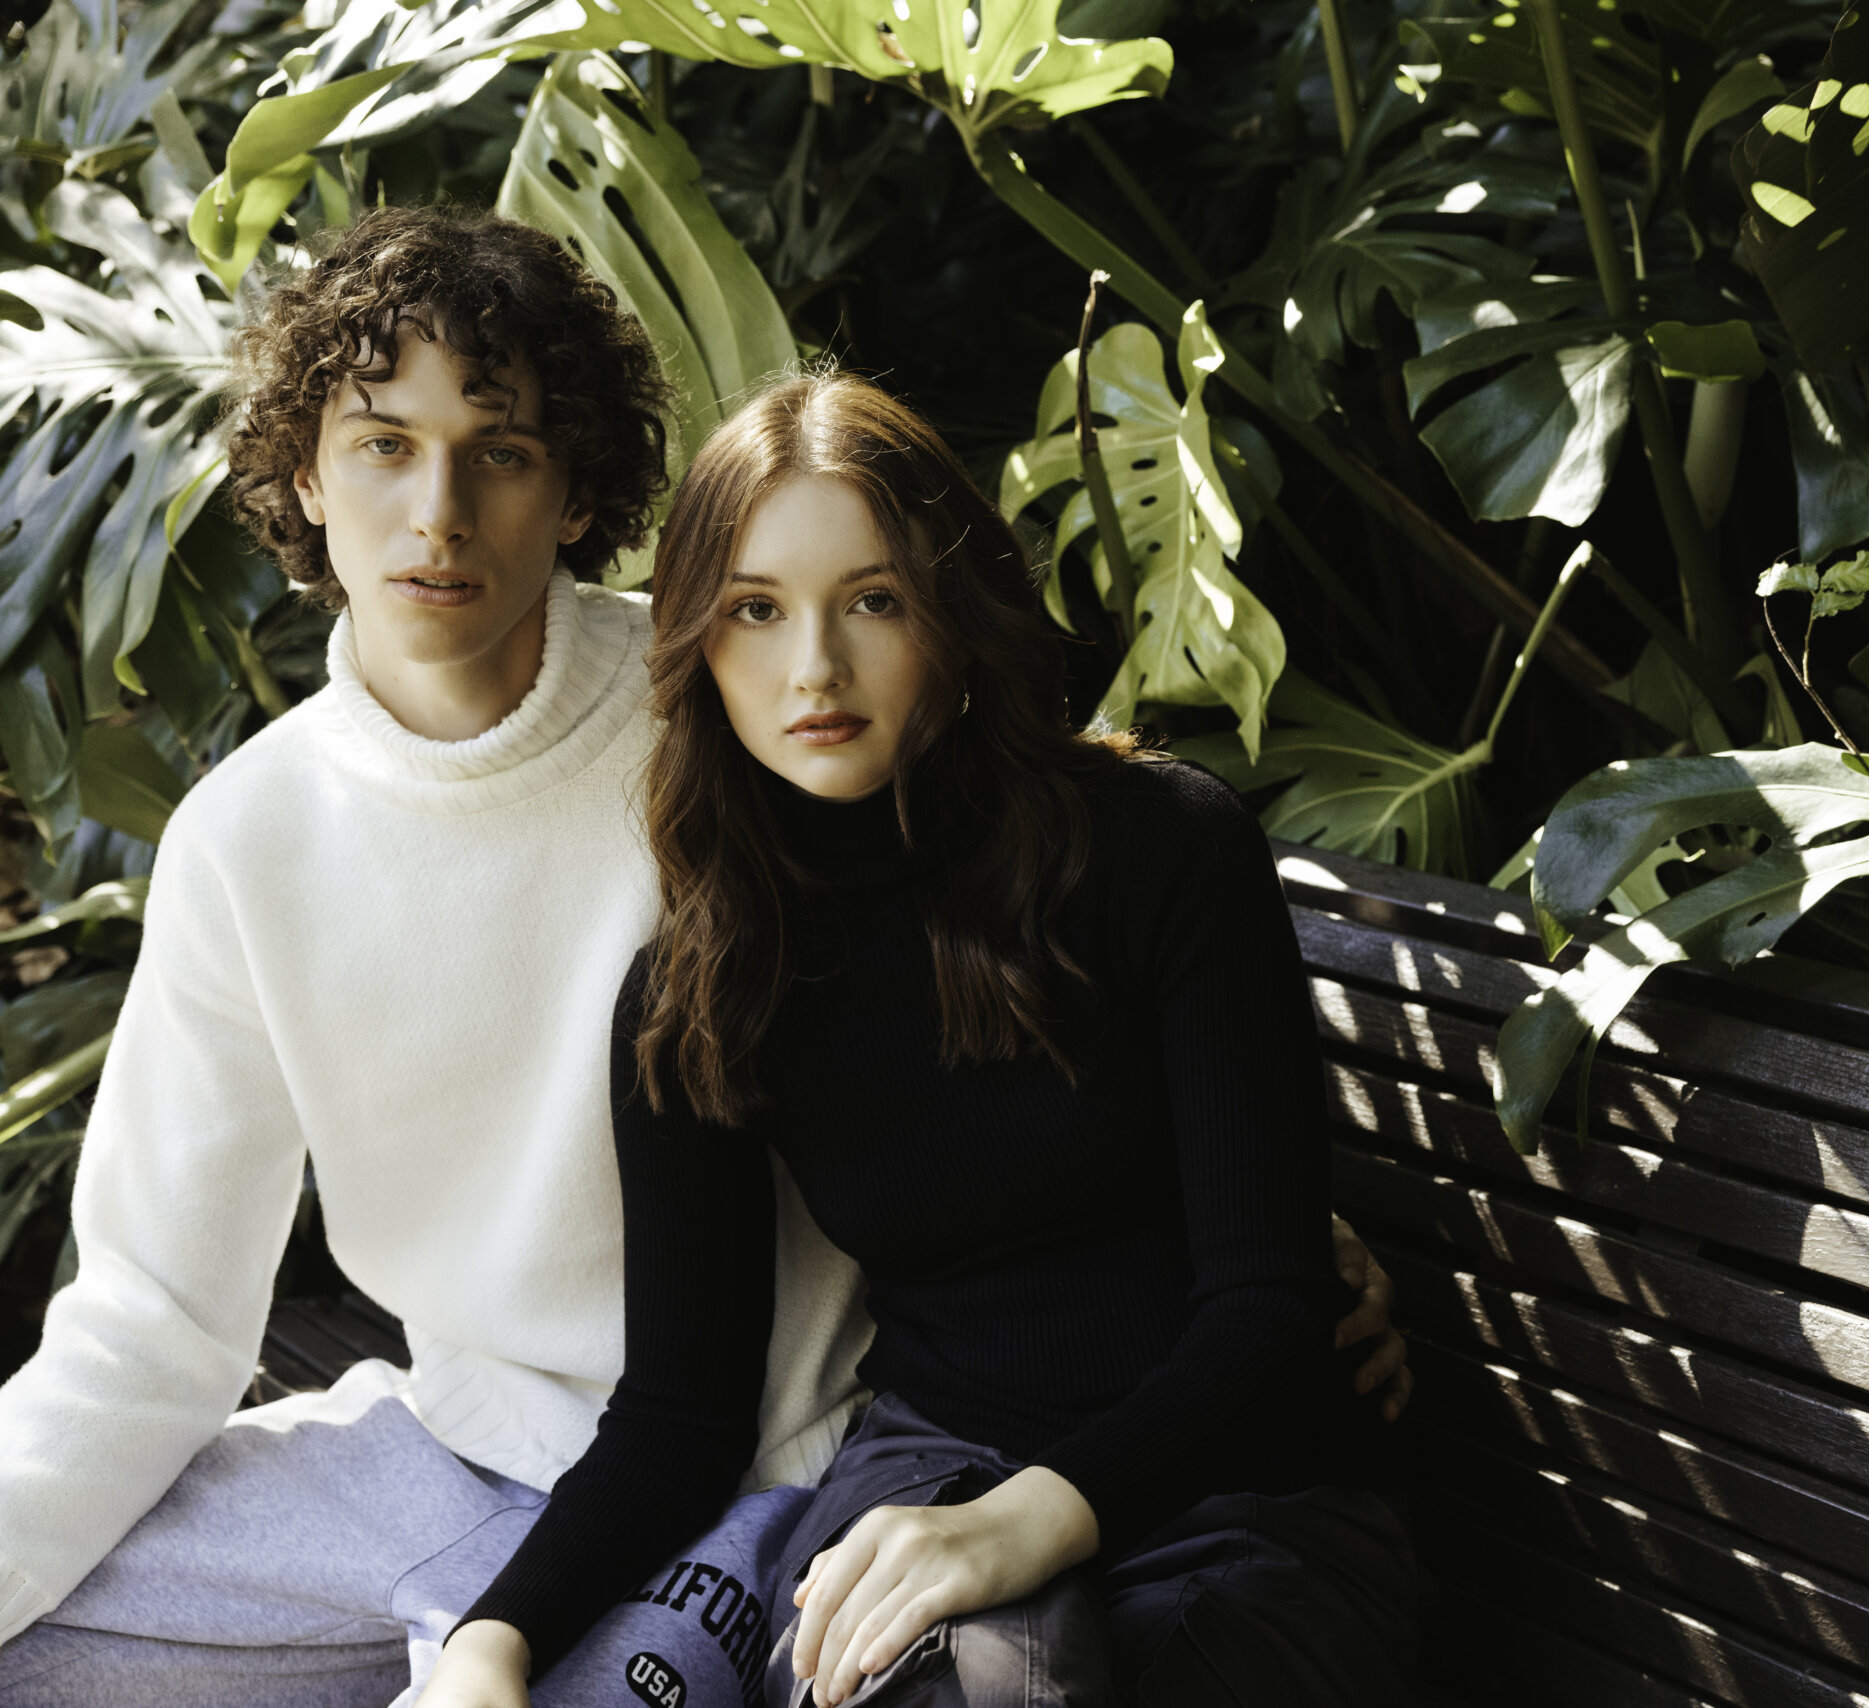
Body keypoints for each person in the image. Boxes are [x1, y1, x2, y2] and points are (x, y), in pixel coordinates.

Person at [0, 207, 1405, 1707]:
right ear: (303, 475)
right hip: (468, 1446)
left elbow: (1048, 1029)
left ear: (579, 488)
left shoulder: (742, 730)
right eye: (382, 445)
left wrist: (1264, 1251)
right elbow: (150, 1314)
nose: (439, 516)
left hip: (782, 1473)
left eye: (502, 450)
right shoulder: (275, 839)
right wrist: (485, 1639)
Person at [415, 371, 1417, 1708]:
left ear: (952, 611)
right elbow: (680, 1417)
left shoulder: (1159, 849)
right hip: (926, 1487)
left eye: (872, 602)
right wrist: (491, 1648)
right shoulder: (709, 983)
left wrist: (1028, 1523)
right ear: (699, 645)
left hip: (1233, 1499)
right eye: (756, 613)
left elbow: (1269, 1308)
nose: (812, 669)